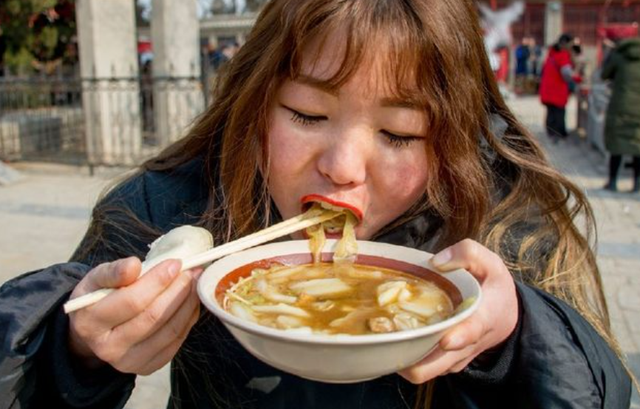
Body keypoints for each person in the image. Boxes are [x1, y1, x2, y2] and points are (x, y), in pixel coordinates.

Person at [0, 1, 633, 408]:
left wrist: (514, 338)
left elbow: (602, 392)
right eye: (307, 114)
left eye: (399, 134)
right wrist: (75, 350)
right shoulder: (175, 204)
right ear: (256, 100)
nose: (343, 166)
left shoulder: (503, 224)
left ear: (450, 140)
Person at [601, 36, 640, 193]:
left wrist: (609, 55)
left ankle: (612, 182)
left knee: (615, 145)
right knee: (638, 145)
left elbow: (604, 75)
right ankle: (637, 184)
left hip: (620, 106)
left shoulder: (619, 56)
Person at [539, 33, 582, 142]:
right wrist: (577, 78)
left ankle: (551, 133)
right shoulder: (563, 56)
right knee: (558, 113)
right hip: (557, 90)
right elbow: (567, 74)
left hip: (547, 88)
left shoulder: (551, 54)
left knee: (551, 112)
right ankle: (558, 134)